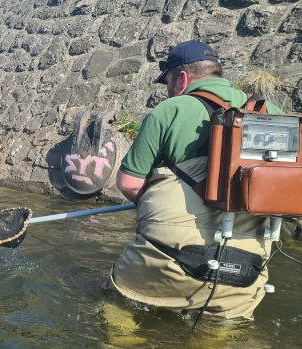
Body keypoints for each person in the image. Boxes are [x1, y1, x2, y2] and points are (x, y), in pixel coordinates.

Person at [108, 40, 282, 321]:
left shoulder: (171, 109)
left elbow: (129, 183)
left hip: (166, 259)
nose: (168, 89)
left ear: (183, 77)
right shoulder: (269, 111)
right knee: (223, 328)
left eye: (168, 81)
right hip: (245, 269)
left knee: (120, 305)